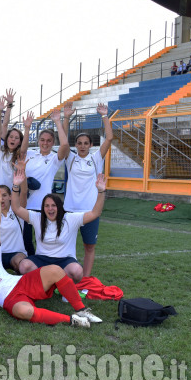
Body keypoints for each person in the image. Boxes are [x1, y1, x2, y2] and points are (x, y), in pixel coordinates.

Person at [0, 186, 101, 327]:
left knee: (55, 270)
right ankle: (73, 320)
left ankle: (82, 310)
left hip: (20, 283)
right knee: (23, 311)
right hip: (8, 299)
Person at [11, 168, 108, 284]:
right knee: (24, 266)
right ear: (43, 208)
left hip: (64, 261)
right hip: (43, 259)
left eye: (53, 205)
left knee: (76, 271)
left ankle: (62, 284)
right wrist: (16, 186)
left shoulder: (70, 218)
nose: (50, 209)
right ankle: (44, 284)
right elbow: (16, 208)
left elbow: (95, 213)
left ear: (59, 207)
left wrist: (101, 191)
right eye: (46, 206)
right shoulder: (37, 218)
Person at [62, 103, 113, 278]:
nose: (82, 146)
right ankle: (64, 277)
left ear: (91, 145)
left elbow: (109, 139)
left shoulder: (96, 158)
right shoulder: (71, 158)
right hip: (70, 211)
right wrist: (66, 117)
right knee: (66, 246)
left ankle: (85, 280)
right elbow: (62, 141)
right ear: (75, 145)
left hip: (91, 211)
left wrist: (104, 116)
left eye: (86, 143)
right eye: (79, 143)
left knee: (89, 246)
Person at [22, 105, 70, 255]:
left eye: (49, 141)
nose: (45, 143)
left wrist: (58, 122)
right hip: (25, 206)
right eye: (42, 140)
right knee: (25, 241)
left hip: (43, 207)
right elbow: (21, 151)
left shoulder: (54, 159)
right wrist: (27, 128)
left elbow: (65, 145)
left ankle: (44, 267)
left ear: (52, 142)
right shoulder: (30, 154)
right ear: (38, 141)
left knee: (44, 240)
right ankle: (30, 269)